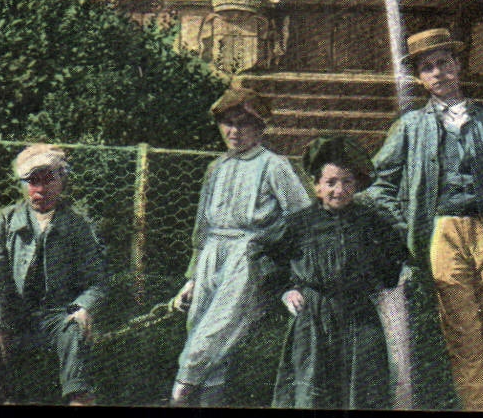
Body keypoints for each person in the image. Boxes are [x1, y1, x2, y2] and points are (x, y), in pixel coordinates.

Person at [363, 28, 483, 411]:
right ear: (420, 78)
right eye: (427, 67)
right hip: (443, 232)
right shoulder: (411, 127)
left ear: (458, 65)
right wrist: (404, 224)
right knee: (464, 335)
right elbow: (376, 183)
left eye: (444, 63)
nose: (438, 73)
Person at [168, 88, 311, 407]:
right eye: (227, 124)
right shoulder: (216, 167)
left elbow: (302, 218)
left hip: (248, 258)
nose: (233, 132)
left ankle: (177, 396)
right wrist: (192, 278)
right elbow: (201, 227)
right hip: (211, 256)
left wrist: (287, 271)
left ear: (259, 128)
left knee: (213, 335)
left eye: (242, 124)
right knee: (200, 331)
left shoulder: (274, 165)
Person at [253, 133, 409, 409]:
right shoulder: (301, 223)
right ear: (317, 187)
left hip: (358, 315)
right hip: (314, 315)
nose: (339, 190)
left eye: (347, 182)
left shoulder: (370, 221)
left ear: (357, 184)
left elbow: (394, 256)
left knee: (362, 386)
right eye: (331, 183)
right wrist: (285, 290)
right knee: (312, 385)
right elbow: (264, 253)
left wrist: (379, 278)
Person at [0, 144, 107, 406]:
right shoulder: (5, 221)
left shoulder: (78, 225)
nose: (40, 190)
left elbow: (96, 282)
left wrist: (82, 308)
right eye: (32, 182)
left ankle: (79, 399)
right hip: (15, 318)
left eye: (48, 180)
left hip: (57, 315)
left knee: (75, 333)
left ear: (62, 181)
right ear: (22, 184)